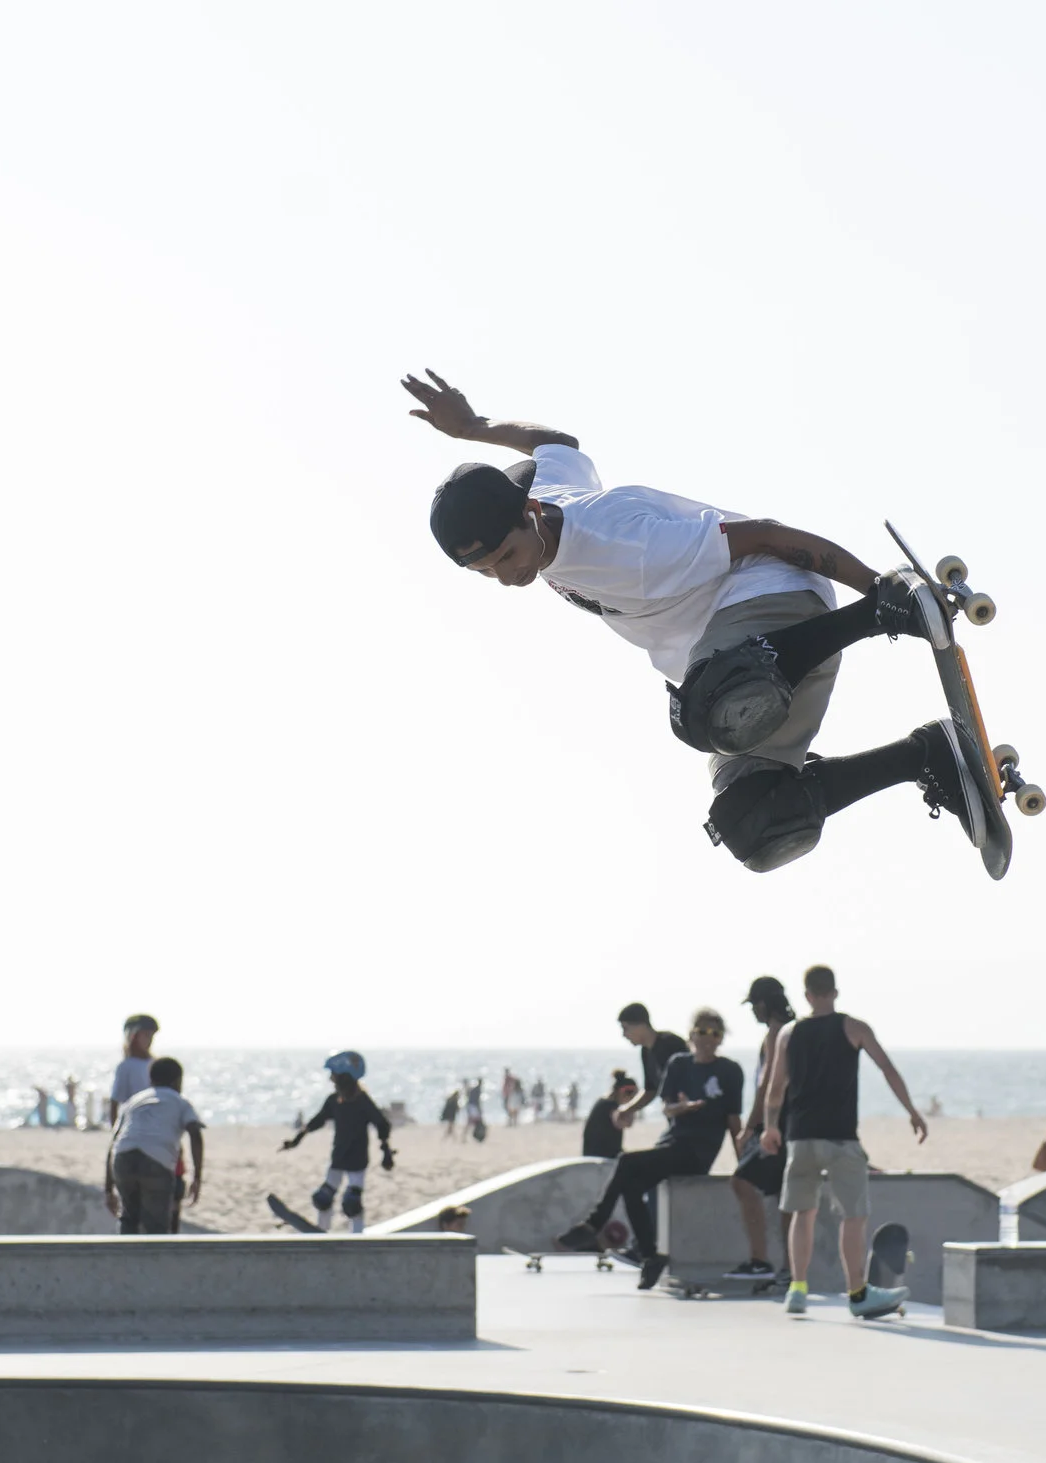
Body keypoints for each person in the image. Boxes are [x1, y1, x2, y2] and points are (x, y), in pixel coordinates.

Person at [406, 370, 1002, 874]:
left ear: (530, 514)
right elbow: (555, 444)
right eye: (486, 571)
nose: (506, 576)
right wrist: (474, 427)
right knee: (754, 824)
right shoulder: (543, 494)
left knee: (704, 711)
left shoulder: (626, 544)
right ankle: (926, 755)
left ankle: (876, 614)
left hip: (774, 594)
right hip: (747, 657)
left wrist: (878, 591)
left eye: (507, 556)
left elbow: (767, 535)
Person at [757, 965, 928, 1318]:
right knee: (854, 1215)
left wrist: (770, 1127)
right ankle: (857, 1292)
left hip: (801, 1137)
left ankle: (797, 1289)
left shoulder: (789, 1033)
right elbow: (887, 1068)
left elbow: (775, 1088)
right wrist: (912, 1111)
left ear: (806, 995)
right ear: (834, 992)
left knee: (802, 1213)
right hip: (840, 1137)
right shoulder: (854, 1027)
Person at [558, 1010, 743, 1288]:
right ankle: (649, 1255)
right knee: (631, 1187)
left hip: (697, 1152)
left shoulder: (729, 1070)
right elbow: (665, 1105)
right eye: (702, 1032)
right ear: (692, 1035)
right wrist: (680, 1108)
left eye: (715, 1034)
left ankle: (595, 1224)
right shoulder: (679, 1064)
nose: (708, 1039)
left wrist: (742, 1163)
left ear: (721, 1039)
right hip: (673, 1142)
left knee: (626, 1162)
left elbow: (733, 1121)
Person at [730, 976, 799, 1277]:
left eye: (753, 1006)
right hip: (792, 1124)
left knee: (742, 1182)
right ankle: (789, 1268)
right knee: (785, 1196)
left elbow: (768, 1084)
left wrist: (749, 1127)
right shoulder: (795, 1030)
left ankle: (760, 1260)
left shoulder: (775, 1034)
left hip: (775, 1125)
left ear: (762, 1004)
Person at [281, 1052, 394, 1232]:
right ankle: (321, 1232)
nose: (331, 1078)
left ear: (344, 1076)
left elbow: (381, 1124)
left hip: (357, 1160)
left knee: (352, 1203)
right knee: (323, 1199)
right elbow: (317, 1121)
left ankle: (357, 1236)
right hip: (338, 1158)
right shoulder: (334, 1101)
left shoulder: (362, 1101)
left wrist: (386, 1150)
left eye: (333, 1074)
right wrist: (296, 1140)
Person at [107, 1057, 203, 1235]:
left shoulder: (134, 1101)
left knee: (129, 1218)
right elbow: (195, 1134)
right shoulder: (180, 1102)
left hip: (123, 1157)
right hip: (156, 1160)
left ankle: (126, 1251)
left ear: (150, 1079)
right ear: (178, 1081)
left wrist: (108, 1188)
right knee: (156, 1225)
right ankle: (155, 1253)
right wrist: (197, 1177)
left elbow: (115, 1141)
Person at [612, 1004, 689, 1134]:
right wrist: (627, 1110)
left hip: (691, 1121)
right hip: (675, 1123)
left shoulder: (670, 1043)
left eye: (626, 1028)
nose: (624, 1035)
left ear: (641, 1025)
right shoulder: (646, 1052)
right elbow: (650, 1091)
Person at [106, 1014, 160, 1127]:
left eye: (151, 1036)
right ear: (133, 1036)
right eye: (146, 1035)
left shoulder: (156, 1064)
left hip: (156, 1123)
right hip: (134, 1125)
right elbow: (115, 1102)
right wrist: (115, 1130)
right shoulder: (125, 1066)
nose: (150, 1040)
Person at [581, 1071, 636, 1161]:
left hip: (596, 1154)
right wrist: (633, 1107)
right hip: (603, 1157)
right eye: (630, 1093)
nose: (632, 1097)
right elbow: (628, 1123)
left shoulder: (603, 1102)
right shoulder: (611, 1107)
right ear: (620, 1091)